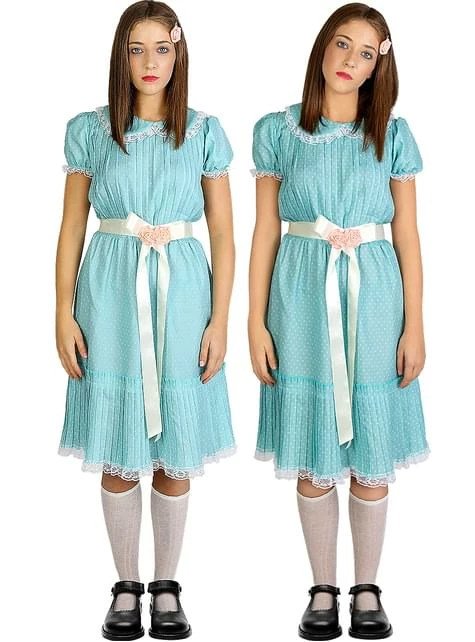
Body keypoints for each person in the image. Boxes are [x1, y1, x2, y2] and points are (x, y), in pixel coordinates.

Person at [55, 2, 235, 639]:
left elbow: (222, 232)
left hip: (182, 292)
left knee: (173, 449)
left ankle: (166, 585)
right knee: (118, 444)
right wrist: (62, 311)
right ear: (121, 56)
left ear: (178, 54)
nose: (150, 62)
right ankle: (126, 585)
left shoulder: (204, 131)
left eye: (162, 48)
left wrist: (219, 320)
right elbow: (72, 226)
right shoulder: (91, 130)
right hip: (109, 292)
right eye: (137, 49)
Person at [248, 3, 428, 639]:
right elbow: (265, 230)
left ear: (379, 66)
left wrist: (414, 324)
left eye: (367, 53)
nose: (351, 60)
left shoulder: (392, 135)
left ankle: (368, 587)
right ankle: (323, 587)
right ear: (322, 46)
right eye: (343, 44)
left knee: (371, 444)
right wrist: (254, 321)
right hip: (299, 294)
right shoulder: (278, 130)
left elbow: (406, 234)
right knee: (314, 445)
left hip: (375, 294)